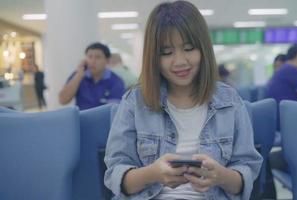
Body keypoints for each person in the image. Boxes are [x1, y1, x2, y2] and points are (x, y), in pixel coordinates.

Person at [104, 1, 262, 200]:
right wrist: (152, 173)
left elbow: (245, 175)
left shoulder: (229, 101)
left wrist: (221, 176)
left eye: (189, 48)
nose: (180, 61)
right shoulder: (135, 102)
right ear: (154, 57)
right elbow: (115, 176)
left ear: (203, 49)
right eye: (166, 53)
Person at [59, 42, 125, 110]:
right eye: (89, 57)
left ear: (107, 61)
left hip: (103, 120)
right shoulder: (78, 75)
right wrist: (79, 75)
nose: (93, 61)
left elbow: (112, 111)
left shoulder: (116, 81)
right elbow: (63, 100)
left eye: (98, 57)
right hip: (81, 119)